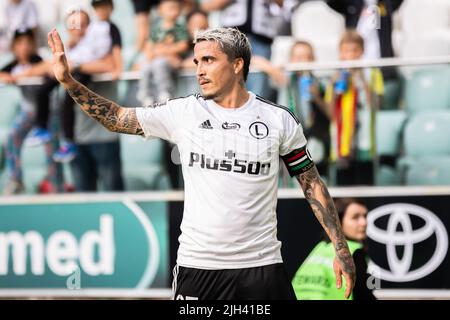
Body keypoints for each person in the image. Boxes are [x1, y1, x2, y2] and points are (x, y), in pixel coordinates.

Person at [47, 27, 356, 300]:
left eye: (208, 60)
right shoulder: (183, 113)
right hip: (199, 267)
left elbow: (311, 182)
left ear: (237, 65)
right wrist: (68, 80)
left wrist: (340, 249)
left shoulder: (278, 120)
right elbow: (115, 118)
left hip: (261, 267)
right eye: (196, 62)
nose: (199, 70)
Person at [26, 3, 123, 163]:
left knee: (68, 99)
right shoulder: (69, 45)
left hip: (81, 74)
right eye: (73, 25)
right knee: (42, 90)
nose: (77, 28)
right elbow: (44, 66)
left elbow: (109, 64)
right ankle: (41, 128)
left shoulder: (98, 39)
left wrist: (76, 64)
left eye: (82, 25)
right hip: (70, 70)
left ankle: (68, 141)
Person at [0, 28, 61, 195]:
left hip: (47, 113)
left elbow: (50, 66)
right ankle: (16, 178)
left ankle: (57, 187)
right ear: (14, 46)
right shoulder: (12, 65)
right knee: (12, 137)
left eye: (28, 42)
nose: (24, 47)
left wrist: (23, 75)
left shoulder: (37, 60)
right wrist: (7, 76)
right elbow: (3, 74)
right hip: (28, 112)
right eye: (20, 43)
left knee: (52, 151)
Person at [327, 30, 383, 186]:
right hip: (341, 144)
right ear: (340, 53)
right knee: (343, 191)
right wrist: (334, 86)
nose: (350, 55)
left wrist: (360, 77)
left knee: (365, 187)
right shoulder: (336, 75)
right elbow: (330, 112)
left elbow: (377, 105)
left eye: (354, 50)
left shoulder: (372, 73)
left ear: (362, 51)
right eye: (346, 51)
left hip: (364, 142)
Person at [292, 198, 376, 300]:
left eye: (365, 216)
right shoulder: (353, 251)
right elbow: (363, 294)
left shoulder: (320, 248)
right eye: (355, 217)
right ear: (338, 221)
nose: (363, 222)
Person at [288, 41, 331, 179]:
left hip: (317, 141)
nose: (302, 61)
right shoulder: (286, 82)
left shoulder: (322, 83)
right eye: (298, 57)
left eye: (307, 57)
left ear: (313, 59)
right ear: (291, 60)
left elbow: (332, 116)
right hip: (291, 143)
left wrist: (317, 97)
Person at [137, 0, 189, 106]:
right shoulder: (156, 28)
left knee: (159, 64)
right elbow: (150, 45)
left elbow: (183, 45)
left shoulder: (180, 27)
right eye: (170, 8)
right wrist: (152, 53)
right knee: (145, 66)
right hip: (158, 58)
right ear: (161, 11)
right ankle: (145, 93)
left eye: (176, 8)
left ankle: (164, 91)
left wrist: (162, 51)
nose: (174, 11)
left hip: (170, 61)